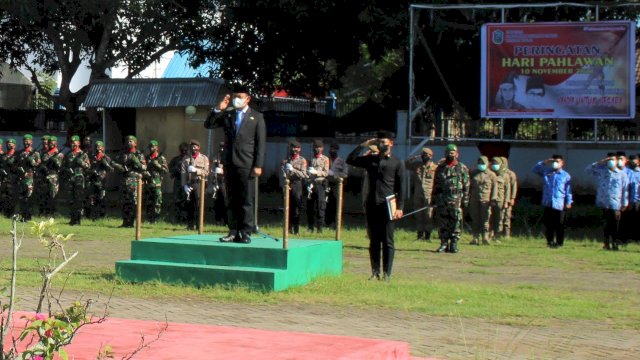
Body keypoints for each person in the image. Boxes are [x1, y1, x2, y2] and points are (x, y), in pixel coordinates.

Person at [205, 84, 266, 244]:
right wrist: (219, 109)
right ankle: (233, 231)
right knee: (231, 198)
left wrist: (258, 165)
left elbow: (261, 144)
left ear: (247, 99)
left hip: (247, 163)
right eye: (234, 97)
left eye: (240, 97)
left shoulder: (257, 117)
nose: (236, 100)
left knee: (246, 199)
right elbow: (209, 124)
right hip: (230, 162)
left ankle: (246, 232)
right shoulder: (228, 115)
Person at [347, 131, 404, 281]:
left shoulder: (397, 162)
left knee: (388, 240)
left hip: (388, 205)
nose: (382, 145)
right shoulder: (370, 160)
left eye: (384, 142)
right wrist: (364, 144)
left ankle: (387, 273)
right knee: (374, 240)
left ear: (391, 143)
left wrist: (400, 208)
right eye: (379, 142)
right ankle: (375, 271)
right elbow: (350, 159)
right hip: (372, 204)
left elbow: (401, 188)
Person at [585, 153, 629, 251]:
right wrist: (600, 162)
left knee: (615, 224)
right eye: (609, 160)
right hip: (603, 202)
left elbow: (625, 189)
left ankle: (614, 243)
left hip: (615, 203)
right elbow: (588, 170)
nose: (611, 162)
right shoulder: (601, 171)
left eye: (613, 159)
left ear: (617, 161)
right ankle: (606, 243)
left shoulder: (622, 174)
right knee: (605, 224)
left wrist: (624, 203)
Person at [433, 144, 469, 253]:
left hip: (456, 200)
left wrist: (466, 199)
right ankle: (444, 243)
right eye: (448, 153)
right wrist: (434, 199)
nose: (450, 155)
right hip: (442, 199)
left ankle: (454, 243)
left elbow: (466, 185)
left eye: (452, 153)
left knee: (456, 221)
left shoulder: (462, 167)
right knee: (443, 221)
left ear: (457, 154)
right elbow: (436, 184)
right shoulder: (440, 168)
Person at [532, 155, 573, 248]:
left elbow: (568, 190)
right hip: (548, 202)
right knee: (549, 224)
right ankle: (549, 242)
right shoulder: (546, 172)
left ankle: (559, 243)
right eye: (554, 161)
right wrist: (545, 162)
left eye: (557, 161)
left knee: (560, 224)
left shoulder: (565, 175)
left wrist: (569, 202)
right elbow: (535, 169)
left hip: (560, 203)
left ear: (562, 163)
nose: (555, 163)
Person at [112, 135, 147, 228]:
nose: (129, 142)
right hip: (124, 181)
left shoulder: (139, 154)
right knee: (124, 202)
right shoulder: (122, 153)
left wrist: (136, 162)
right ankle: (125, 222)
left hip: (134, 182)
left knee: (133, 202)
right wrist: (119, 166)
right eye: (127, 141)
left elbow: (144, 167)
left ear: (135, 143)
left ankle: (132, 223)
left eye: (131, 141)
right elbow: (114, 162)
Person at [404, 147, 438, 241]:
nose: (424, 156)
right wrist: (411, 159)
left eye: (426, 155)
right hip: (418, 194)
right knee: (418, 215)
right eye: (422, 154)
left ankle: (427, 236)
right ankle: (419, 235)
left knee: (428, 215)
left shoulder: (435, 167)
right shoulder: (417, 165)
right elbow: (403, 165)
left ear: (430, 156)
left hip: (429, 195)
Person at [180, 139, 210, 231]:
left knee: (198, 204)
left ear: (198, 147)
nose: (193, 148)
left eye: (195, 146)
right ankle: (190, 225)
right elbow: (183, 173)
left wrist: (197, 170)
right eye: (191, 146)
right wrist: (184, 185)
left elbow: (206, 172)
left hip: (199, 183)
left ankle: (199, 225)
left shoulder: (204, 158)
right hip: (189, 183)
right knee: (189, 204)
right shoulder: (186, 158)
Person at [468, 156, 497, 245]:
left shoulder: (491, 175)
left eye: (483, 163)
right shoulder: (473, 173)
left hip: (486, 200)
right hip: (474, 199)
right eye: (479, 163)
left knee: (485, 219)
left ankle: (485, 237)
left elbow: (495, 188)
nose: (481, 165)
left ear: (487, 163)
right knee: (475, 218)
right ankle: (475, 237)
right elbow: (469, 186)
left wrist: (493, 199)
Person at [281, 140, 308, 235]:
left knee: (296, 207)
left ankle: (296, 229)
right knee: (288, 206)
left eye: (296, 148)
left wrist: (293, 170)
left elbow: (304, 174)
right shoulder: (287, 159)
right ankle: (288, 228)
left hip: (297, 184)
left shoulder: (302, 160)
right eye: (292, 148)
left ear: (299, 149)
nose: (294, 150)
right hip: (288, 183)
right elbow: (283, 171)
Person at [62, 135, 90, 225]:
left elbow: (88, 166)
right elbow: (63, 166)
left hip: (79, 178)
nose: (73, 144)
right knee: (71, 199)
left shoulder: (83, 154)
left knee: (78, 199)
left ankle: (78, 220)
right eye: (71, 142)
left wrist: (81, 162)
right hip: (70, 179)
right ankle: (72, 219)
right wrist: (67, 171)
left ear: (79, 143)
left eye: (75, 142)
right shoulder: (68, 154)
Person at [306, 139, 330, 233]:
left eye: (319, 147)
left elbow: (326, 172)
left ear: (322, 148)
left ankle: (320, 227)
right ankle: (310, 227)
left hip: (320, 184)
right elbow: (307, 173)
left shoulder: (325, 159)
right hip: (311, 184)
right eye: (316, 147)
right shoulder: (310, 159)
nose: (317, 149)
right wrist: (308, 180)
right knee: (310, 207)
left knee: (320, 206)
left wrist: (316, 172)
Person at [16, 134, 41, 221]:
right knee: (22, 197)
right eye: (25, 140)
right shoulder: (20, 153)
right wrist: (22, 171)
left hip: (31, 178)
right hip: (22, 177)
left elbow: (38, 164)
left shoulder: (36, 153)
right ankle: (23, 216)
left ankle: (28, 216)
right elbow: (17, 164)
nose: (26, 142)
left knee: (29, 197)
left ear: (31, 142)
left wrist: (32, 160)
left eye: (28, 140)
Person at [86, 140, 113, 220]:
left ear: (103, 148)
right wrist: (91, 172)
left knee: (102, 199)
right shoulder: (91, 157)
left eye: (99, 146)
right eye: (96, 146)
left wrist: (104, 163)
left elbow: (111, 169)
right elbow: (88, 167)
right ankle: (93, 216)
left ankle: (102, 216)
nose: (98, 148)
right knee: (92, 199)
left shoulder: (106, 158)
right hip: (93, 180)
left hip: (102, 181)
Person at [144, 140, 169, 223]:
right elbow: (143, 168)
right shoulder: (147, 158)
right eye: (150, 146)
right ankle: (149, 219)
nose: (151, 148)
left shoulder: (161, 158)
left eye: (153, 146)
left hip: (157, 183)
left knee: (157, 202)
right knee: (148, 201)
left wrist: (157, 165)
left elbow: (166, 171)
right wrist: (145, 173)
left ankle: (156, 219)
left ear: (157, 148)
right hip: (148, 182)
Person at [325, 142, 348, 228]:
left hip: (336, 186)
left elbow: (345, 174)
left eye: (334, 149)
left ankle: (336, 222)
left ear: (337, 150)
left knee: (336, 204)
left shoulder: (341, 161)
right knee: (326, 204)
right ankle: (327, 222)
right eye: (331, 149)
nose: (332, 151)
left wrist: (334, 174)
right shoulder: (326, 160)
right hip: (326, 184)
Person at [41, 136, 64, 216]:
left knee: (53, 195)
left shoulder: (59, 154)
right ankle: (46, 212)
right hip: (45, 175)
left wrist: (55, 160)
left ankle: (53, 212)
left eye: (52, 142)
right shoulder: (45, 153)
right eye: (50, 142)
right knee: (45, 195)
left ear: (56, 143)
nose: (51, 144)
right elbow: (42, 162)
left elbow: (60, 165)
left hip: (54, 176)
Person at [489, 157, 511, 243]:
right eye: (493, 163)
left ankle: (497, 236)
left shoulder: (505, 176)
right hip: (490, 200)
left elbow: (507, 189)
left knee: (499, 219)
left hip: (500, 201)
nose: (495, 165)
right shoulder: (489, 174)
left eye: (497, 163)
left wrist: (506, 201)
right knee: (489, 218)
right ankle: (490, 235)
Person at [168, 142, 190, 224]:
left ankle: (185, 218)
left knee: (186, 200)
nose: (184, 151)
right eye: (182, 150)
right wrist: (176, 169)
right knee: (177, 200)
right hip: (177, 181)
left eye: (185, 150)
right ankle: (178, 218)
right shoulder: (176, 159)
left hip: (187, 182)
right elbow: (170, 169)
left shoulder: (189, 159)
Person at [210, 141, 228, 225]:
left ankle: (226, 220)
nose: (221, 148)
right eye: (220, 147)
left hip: (226, 180)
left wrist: (223, 171)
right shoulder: (216, 156)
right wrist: (214, 178)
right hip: (217, 181)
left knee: (225, 200)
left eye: (223, 147)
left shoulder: (229, 156)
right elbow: (212, 169)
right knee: (217, 201)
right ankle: (218, 220)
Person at [624, 154, 640, 243]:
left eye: (634, 161)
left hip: (637, 200)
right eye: (631, 161)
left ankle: (637, 238)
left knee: (637, 219)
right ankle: (627, 238)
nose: (632, 163)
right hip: (626, 199)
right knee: (627, 219)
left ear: (638, 162)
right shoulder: (625, 172)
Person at [0, 138, 18, 217]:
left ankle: (10, 213)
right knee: (4, 196)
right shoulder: (4, 155)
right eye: (8, 143)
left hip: (13, 178)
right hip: (5, 178)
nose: (9, 145)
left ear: (14, 145)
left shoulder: (17, 154)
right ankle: (5, 213)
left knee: (11, 196)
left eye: (11, 143)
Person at [502, 157, 518, 239]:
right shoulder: (496, 173)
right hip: (499, 198)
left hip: (507, 198)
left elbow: (514, 186)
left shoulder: (511, 174)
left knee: (507, 216)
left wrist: (512, 198)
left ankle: (506, 234)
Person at [35, 134, 50, 216]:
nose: (44, 142)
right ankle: (41, 212)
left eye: (46, 140)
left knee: (49, 194)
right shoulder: (40, 152)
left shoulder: (53, 152)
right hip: (41, 175)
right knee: (40, 194)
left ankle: (48, 213)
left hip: (50, 176)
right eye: (43, 140)